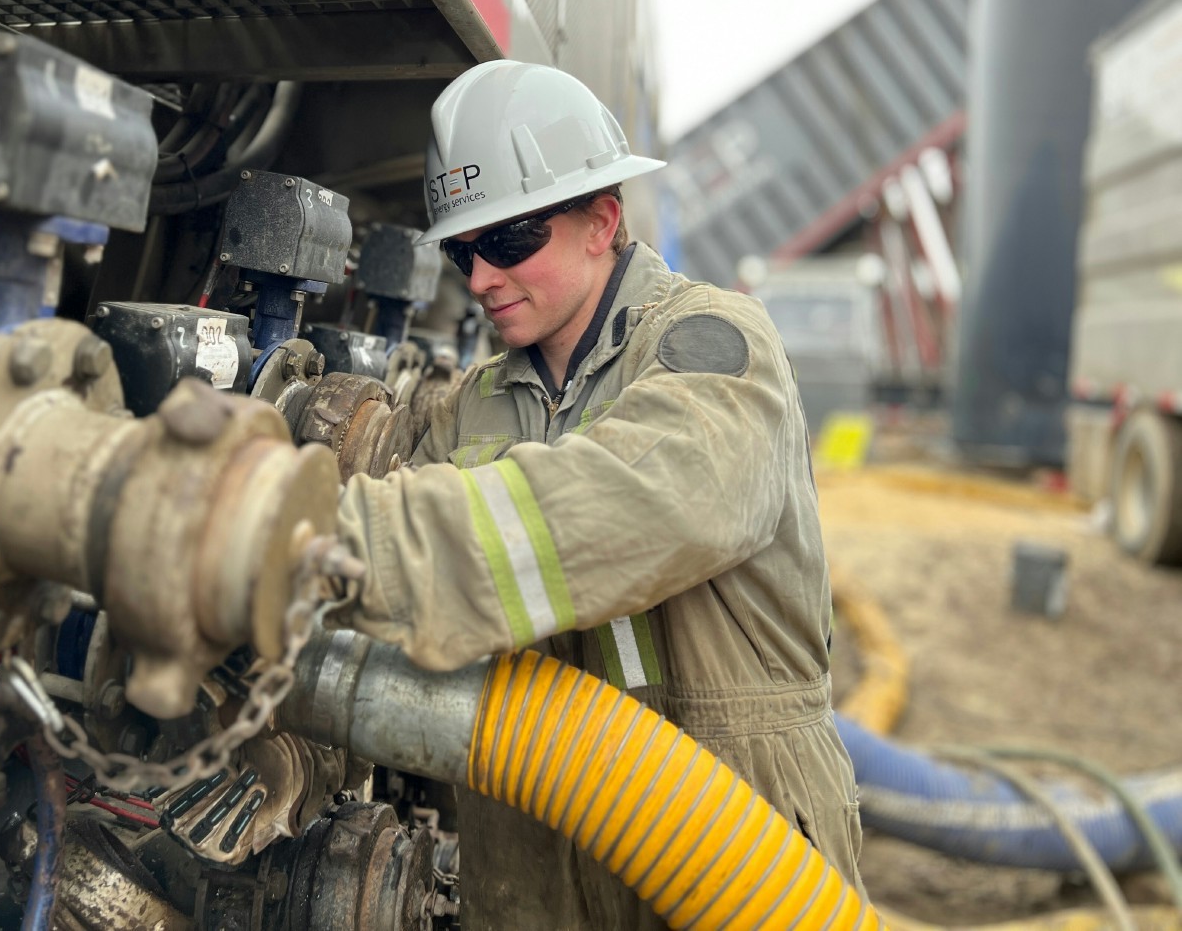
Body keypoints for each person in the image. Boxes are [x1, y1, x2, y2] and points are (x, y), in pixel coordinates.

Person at [333, 59, 864, 929]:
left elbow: (652, 499)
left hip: (732, 846)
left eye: (507, 242)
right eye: (465, 250)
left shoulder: (715, 344)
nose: (480, 279)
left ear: (600, 219)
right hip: (537, 859)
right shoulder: (472, 403)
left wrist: (339, 540)